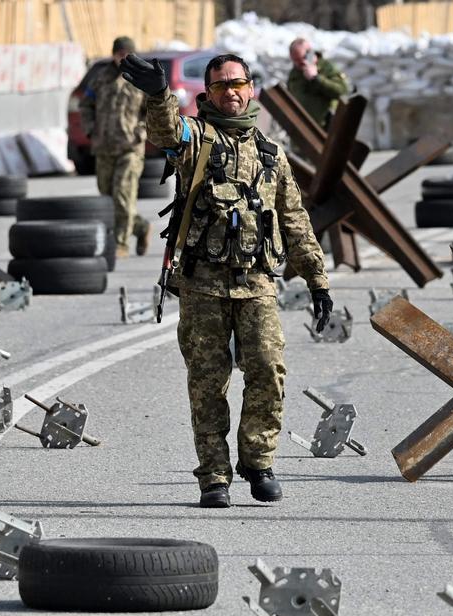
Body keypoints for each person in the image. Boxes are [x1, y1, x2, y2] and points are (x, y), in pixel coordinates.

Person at [120, 52, 333, 509]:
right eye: (220, 86)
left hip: (257, 283)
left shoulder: (273, 155)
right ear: (208, 94)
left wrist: (318, 280)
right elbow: (165, 133)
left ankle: (258, 462)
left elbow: (295, 220)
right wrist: (160, 97)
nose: (231, 92)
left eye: (238, 83)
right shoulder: (197, 139)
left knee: (269, 372)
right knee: (208, 382)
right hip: (203, 285)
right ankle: (214, 476)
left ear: (251, 88)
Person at [79, 36, 152, 257]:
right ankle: (141, 227)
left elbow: (155, 110)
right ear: (113, 54)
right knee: (108, 198)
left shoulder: (142, 78)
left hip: (130, 148)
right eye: (119, 54)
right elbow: (86, 105)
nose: (122, 58)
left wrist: (142, 130)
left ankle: (121, 244)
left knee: (123, 195)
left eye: (127, 54)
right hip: (104, 148)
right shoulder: (100, 79)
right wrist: (90, 128)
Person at [286, 38, 350, 129]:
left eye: (302, 58)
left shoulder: (327, 68)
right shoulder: (294, 74)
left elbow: (342, 91)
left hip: (325, 128)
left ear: (310, 53)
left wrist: (317, 78)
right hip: (301, 129)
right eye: (296, 61)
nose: (300, 63)